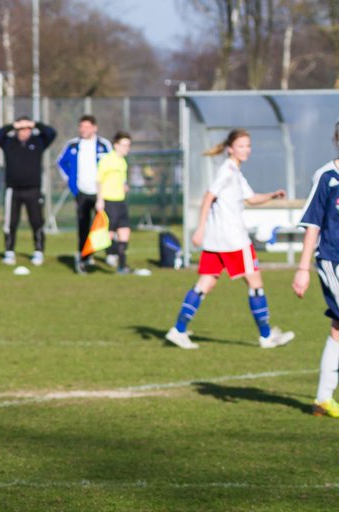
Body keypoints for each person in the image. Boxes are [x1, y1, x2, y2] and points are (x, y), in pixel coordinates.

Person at [164, 129, 294, 350]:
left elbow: (251, 199)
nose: (246, 150)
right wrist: (199, 228)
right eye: (241, 146)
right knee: (255, 284)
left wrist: (272, 195)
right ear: (230, 148)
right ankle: (266, 336)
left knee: (204, 284)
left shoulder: (235, 171)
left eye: (248, 146)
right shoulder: (227, 171)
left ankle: (178, 330)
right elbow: (208, 196)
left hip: (217, 241)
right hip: (234, 240)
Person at [291, 123, 339, 416]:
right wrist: (302, 268)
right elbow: (313, 224)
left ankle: (323, 398)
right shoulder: (327, 177)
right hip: (333, 261)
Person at [0, 115, 57, 266]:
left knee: (36, 221)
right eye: (21, 129)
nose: (24, 131)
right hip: (13, 189)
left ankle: (38, 251)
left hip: (33, 189)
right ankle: (9, 251)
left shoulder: (38, 142)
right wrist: (13, 126)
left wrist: (35, 124)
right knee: (11, 222)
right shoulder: (9, 143)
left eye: (27, 128)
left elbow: (51, 133)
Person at [58, 115, 110, 273]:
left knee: (104, 225)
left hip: (100, 192)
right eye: (82, 127)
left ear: (95, 128)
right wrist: (71, 183)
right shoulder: (73, 144)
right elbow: (61, 163)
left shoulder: (103, 145)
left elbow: (111, 164)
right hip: (82, 192)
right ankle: (84, 256)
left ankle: (110, 255)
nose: (84, 130)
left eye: (87, 127)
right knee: (83, 225)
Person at [96, 131, 133, 274]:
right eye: (124, 145)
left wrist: (124, 186)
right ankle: (86, 257)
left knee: (125, 232)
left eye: (128, 145)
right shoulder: (107, 160)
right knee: (108, 234)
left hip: (121, 201)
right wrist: (100, 200)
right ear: (116, 145)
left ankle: (122, 266)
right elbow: (99, 180)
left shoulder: (123, 161)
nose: (126, 148)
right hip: (109, 201)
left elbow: (121, 179)